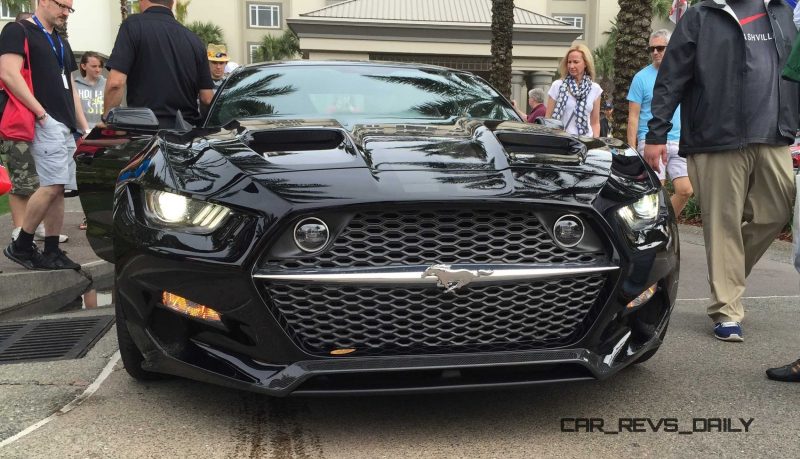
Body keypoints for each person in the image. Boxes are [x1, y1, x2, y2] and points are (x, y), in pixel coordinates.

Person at [644, 0, 797, 342]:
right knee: (722, 223)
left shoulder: (782, 12)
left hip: (773, 134)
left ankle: (728, 275)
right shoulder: (702, 15)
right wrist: (656, 133)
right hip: (716, 136)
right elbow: (672, 77)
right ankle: (726, 308)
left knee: (776, 211)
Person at [0, 0, 89, 270]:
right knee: (50, 185)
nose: (66, 12)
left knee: (58, 187)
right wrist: (41, 114)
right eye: (62, 6)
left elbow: (70, 86)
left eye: (69, 8)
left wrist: (82, 126)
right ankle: (22, 244)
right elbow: (8, 73)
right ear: (43, 1)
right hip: (44, 121)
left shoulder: (60, 40)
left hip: (64, 124)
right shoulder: (19, 31)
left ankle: (51, 249)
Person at [103, 0, 214, 129]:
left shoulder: (133, 26)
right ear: (172, 3)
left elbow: (115, 83)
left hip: (145, 133)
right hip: (186, 135)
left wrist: (107, 119)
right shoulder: (195, 40)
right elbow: (207, 98)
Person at [628, 29, 693, 217]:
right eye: (652, 49)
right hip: (651, 142)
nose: (655, 52)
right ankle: (652, 230)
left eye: (660, 48)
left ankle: (664, 222)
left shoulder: (683, 75)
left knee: (685, 190)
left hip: (679, 141)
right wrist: (632, 149)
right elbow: (633, 117)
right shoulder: (640, 78)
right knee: (656, 192)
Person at [545, 43, 602, 137]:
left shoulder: (595, 89)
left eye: (576, 62)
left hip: (585, 143)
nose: (571, 66)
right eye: (569, 62)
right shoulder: (557, 86)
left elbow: (595, 123)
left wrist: (595, 143)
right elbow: (548, 118)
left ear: (586, 64)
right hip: (562, 140)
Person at [74, 51, 106, 127]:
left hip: (102, 131)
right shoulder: (75, 85)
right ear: (83, 66)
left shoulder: (107, 84)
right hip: (79, 132)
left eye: (100, 66)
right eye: (94, 66)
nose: (98, 70)